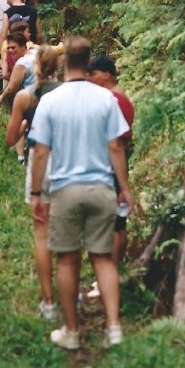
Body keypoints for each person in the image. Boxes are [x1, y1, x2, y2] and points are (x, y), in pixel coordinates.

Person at [28, 37, 133, 351]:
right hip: (101, 188)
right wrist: (124, 187)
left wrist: (36, 193)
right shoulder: (106, 100)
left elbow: (42, 152)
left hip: (63, 190)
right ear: (88, 62)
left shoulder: (51, 101)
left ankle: (72, 331)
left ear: (64, 62)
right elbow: (116, 146)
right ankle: (114, 328)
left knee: (67, 261)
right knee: (103, 260)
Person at [6, 45, 61, 320]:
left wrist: (26, 127)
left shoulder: (24, 98)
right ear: (58, 66)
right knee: (67, 234)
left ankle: (48, 302)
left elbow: (9, 138)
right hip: (66, 164)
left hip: (39, 164)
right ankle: (70, 293)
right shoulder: (67, 93)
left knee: (41, 236)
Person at [86, 55, 135, 297]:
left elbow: (116, 140)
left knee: (112, 224)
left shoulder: (113, 99)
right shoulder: (118, 97)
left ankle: (108, 275)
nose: (89, 79)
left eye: (93, 74)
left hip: (109, 165)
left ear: (107, 74)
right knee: (117, 222)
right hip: (113, 164)